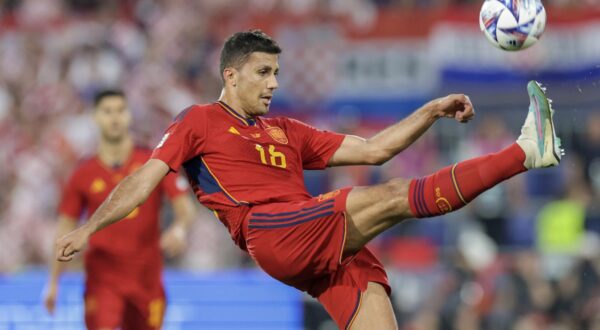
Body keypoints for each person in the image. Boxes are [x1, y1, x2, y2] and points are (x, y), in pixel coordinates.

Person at [55, 31, 563, 329]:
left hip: (315, 245)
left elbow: (376, 149)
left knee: (377, 306)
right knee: (387, 199)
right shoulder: (198, 121)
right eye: (263, 72)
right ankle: (524, 152)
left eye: (277, 72)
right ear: (231, 76)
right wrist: (88, 228)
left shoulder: (286, 130)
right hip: (272, 230)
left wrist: (429, 111)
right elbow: (144, 180)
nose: (274, 83)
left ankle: (526, 152)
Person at [44, 90, 197, 330]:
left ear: (129, 116)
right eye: (107, 112)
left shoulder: (153, 163)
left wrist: (179, 229)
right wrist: (53, 281)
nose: (115, 118)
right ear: (95, 117)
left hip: (147, 277)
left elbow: (184, 206)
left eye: (120, 110)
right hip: (103, 278)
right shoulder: (83, 173)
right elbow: (65, 228)